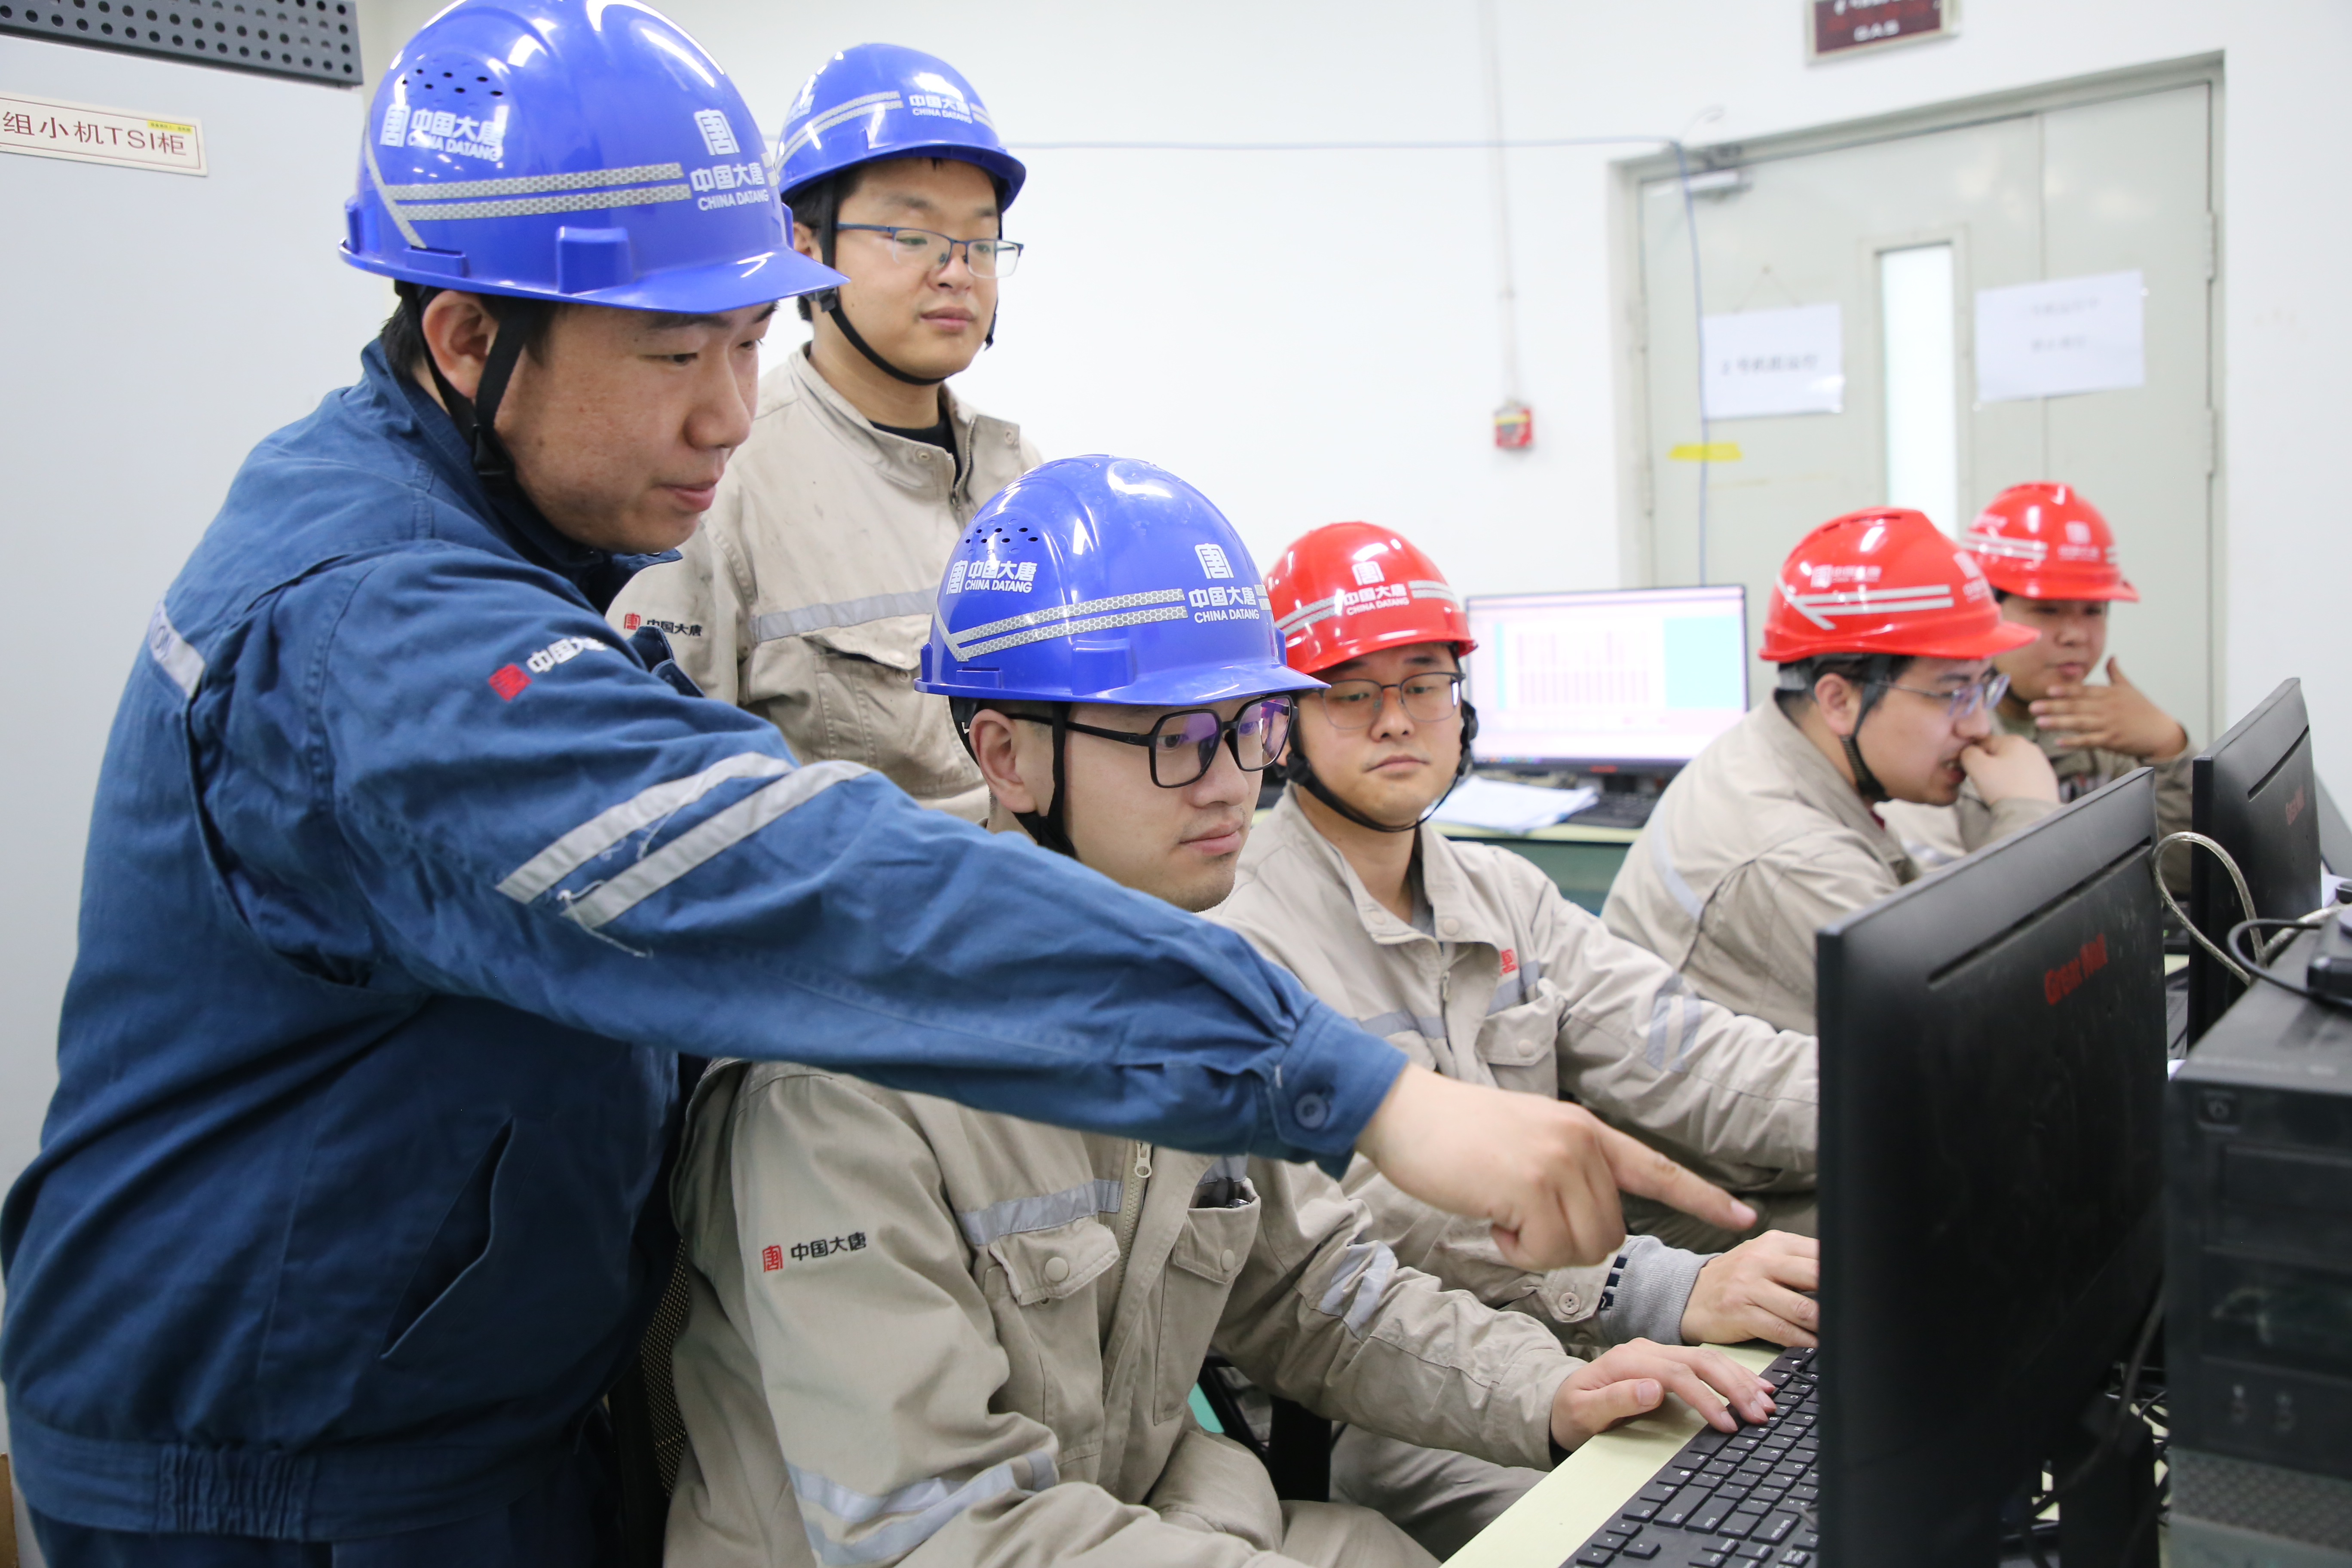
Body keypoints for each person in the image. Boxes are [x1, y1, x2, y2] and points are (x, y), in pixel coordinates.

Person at [0, 7, 1746, 1562]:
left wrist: (1528, 1384)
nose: (729, 414)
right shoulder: (375, 633)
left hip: (461, 1385)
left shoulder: (504, 542)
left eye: (748, 342)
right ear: (468, 338)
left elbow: (1299, 1290)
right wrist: (1357, 1083)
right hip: (285, 1456)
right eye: (678, 356)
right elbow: (798, 874)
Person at [662, 459, 1778, 1568]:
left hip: (1147, 1518)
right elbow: (944, 1533)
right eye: (1176, 737)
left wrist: (1554, 1394)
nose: (1232, 782)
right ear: (1006, 756)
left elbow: (1311, 1288)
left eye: (1251, 727)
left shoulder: (1199, 1001)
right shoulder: (838, 1091)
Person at [1211, 522, 1821, 1553]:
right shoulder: (1243, 937)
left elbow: (1696, 1056)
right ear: (1281, 728)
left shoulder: (1504, 893)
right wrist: (1649, 1289)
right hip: (1386, 1389)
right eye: (1351, 694)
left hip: (1565, 1328)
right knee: (1663, 1536)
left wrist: (1903, 1091)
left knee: (1790, 1441)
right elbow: (1373, 1222)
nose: (1396, 720)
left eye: (1424, 684)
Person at [607, 43, 1037, 821]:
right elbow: (669, 802)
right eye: (913, 236)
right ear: (805, 248)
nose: (957, 272)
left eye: (980, 243)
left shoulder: (1022, 478)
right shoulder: (715, 487)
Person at [1604, 508, 2060, 1036]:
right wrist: (2028, 816)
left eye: (1983, 688)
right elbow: (1970, 1019)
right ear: (1839, 701)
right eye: (1953, 693)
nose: (1979, 725)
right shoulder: (1794, 858)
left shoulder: (1787, 745)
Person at [1877, 483, 2193, 887]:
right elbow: (1949, 910)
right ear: (1986, 610)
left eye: (2094, 611)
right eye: (2047, 610)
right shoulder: (1941, 736)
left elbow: (2179, 875)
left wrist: (2169, 748)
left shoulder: (2100, 727)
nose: (2075, 636)